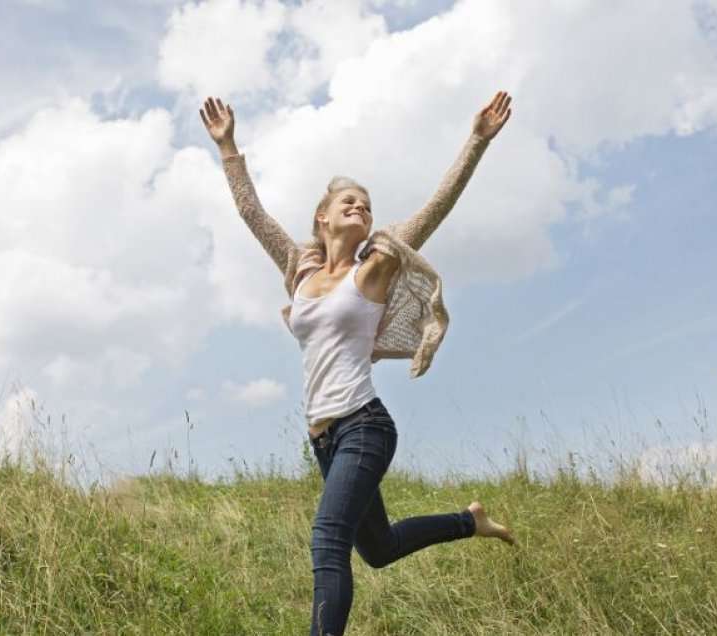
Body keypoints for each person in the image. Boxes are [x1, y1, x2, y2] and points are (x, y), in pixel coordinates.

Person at [200, 90, 516, 636]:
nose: (360, 208)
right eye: (348, 201)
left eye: (366, 205)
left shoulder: (376, 266)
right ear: (322, 217)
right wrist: (228, 146)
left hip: (364, 425)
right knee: (379, 547)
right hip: (322, 437)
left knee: (327, 539)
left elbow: (437, 207)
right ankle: (471, 521)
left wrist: (476, 142)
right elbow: (252, 213)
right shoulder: (300, 270)